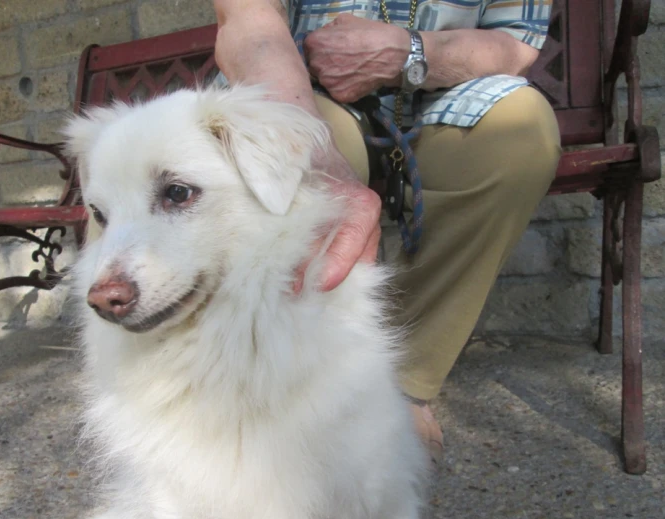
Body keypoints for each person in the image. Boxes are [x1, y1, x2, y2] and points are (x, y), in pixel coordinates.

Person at [213, 0, 561, 462]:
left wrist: (409, 54)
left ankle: (401, 384)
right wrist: (313, 151)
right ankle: (292, 390)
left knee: (521, 133)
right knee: (289, 168)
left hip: (449, 86)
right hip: (298, 84)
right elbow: (248, 20)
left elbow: (514, 43)